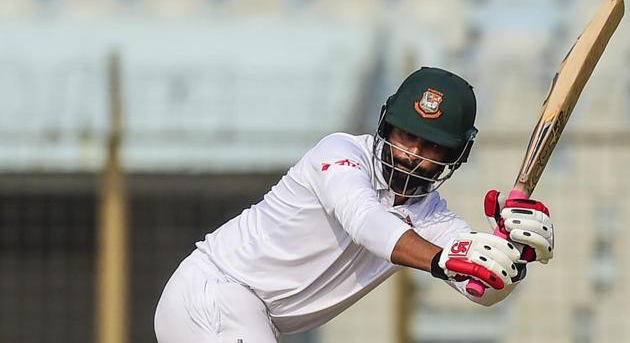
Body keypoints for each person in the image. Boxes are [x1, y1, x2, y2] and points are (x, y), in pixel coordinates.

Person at [154, 67, 555, 343]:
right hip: (213, 291)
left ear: (455, 154)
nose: (411, 153)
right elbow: (365, 221)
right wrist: (441, 260)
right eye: (405, 135)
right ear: (386, 126)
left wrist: (511, 254)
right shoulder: (339, 154)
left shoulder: (431, 214)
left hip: (253, 314)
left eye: (431, 145)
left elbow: (479, 289)